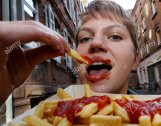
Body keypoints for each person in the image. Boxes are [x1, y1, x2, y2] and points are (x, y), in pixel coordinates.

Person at [0, 0, 140, 105]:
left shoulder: (160, 116)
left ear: (135, 60)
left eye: (115, 36)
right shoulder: (50, 120)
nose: (95, 43)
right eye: (85, 38)